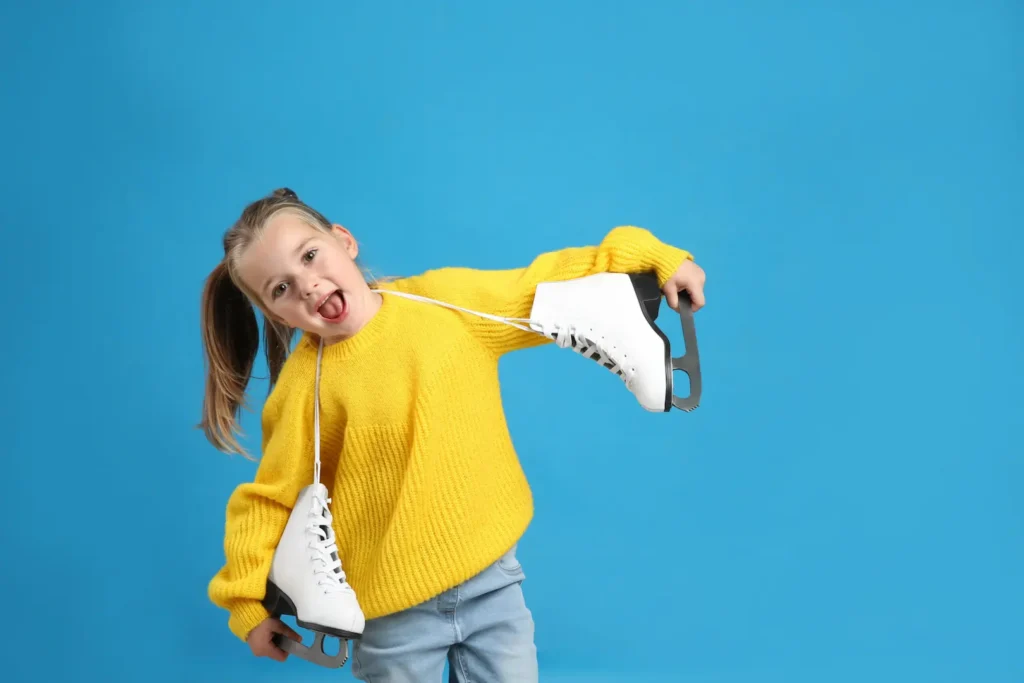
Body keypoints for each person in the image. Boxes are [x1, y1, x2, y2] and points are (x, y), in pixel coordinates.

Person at [201, 187, 707, 682]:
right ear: (275, 314)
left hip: (494, 582)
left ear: (344, 241)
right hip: (390, 613)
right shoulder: (303, 391)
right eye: (281, 288)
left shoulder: (445, 304)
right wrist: (246, 606)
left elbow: (542, 284)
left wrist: (654, 258)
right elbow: (270, 499)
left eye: (310, 255)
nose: (308, 285)